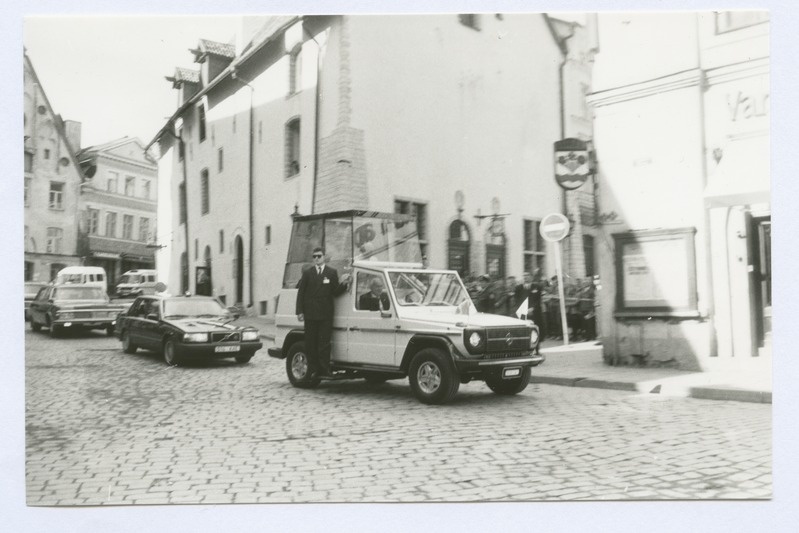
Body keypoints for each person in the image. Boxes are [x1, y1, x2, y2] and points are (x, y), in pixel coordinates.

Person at [296, 247, 349, 377]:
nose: (316, 259)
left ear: (324, 257)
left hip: (325, 314)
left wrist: (345, 284)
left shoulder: (331, 272)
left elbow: (335, 291)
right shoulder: (308, 273)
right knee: (311, 343)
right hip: (311, 314)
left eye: (319, 256)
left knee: (324, 343)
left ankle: (325, 369)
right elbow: (301, 293)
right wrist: (300, 311)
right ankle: (313, 370)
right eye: (314, 256)